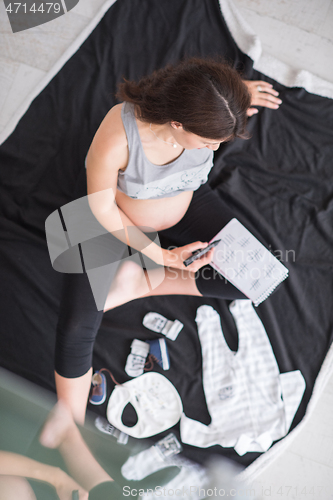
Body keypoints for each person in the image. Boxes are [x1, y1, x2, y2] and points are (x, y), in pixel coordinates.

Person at [54, 58, 282, 423]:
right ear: (177, 123)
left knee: (260, 275)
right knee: (76, 329)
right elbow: (102, 210)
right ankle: (70, 428)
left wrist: (235, 97)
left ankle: (141, 284)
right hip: (113, 219)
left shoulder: (200, 114)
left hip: (188, 202)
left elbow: (203, 88)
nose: (212, 150)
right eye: (208, 142)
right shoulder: (118, 135)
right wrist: (159, 254)